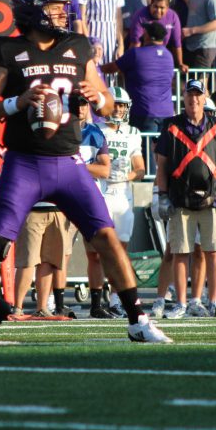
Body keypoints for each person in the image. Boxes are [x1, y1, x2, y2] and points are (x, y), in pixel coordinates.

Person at [0, 0, 171, 344]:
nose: (62, 12)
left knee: (106, 237)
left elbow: (106, 100)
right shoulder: (7, 50)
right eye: (54, 5)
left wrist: (99, 98)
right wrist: (17, 102)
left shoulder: (76, 45)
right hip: (25, 161)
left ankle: (138, 318)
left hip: (70, 161)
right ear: (33, 10)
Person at [154, 78, 216, 318]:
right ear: (183, 97)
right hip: (179, 198)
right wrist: (161, 195)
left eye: (198, 94)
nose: (194, 99)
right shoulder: (171, 126)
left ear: (205, 98)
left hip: (212, 198)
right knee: (180, 252)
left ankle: (213, 301)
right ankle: (181, 303)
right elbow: (161, 165)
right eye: (189, 94)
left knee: (213, 251)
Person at [88, 86, 144, 319]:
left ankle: (116, 299)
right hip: (99, 193)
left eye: (122, 105)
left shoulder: (133, 133)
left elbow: (140, 169)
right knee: (95, 253)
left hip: (122, 195)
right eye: (116, 104)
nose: (119, 109)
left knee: (120, 252)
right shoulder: (94, 130)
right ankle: (96, 302)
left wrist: (127, 176)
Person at [104, 20, 176, 133]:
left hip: (143, 112)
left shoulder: (135, 54)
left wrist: (94, 68)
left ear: (148, 35)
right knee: (163, 150)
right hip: (167, 113)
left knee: (145, 149)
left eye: (145, 31)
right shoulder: (169, 56)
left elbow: (112, 68)